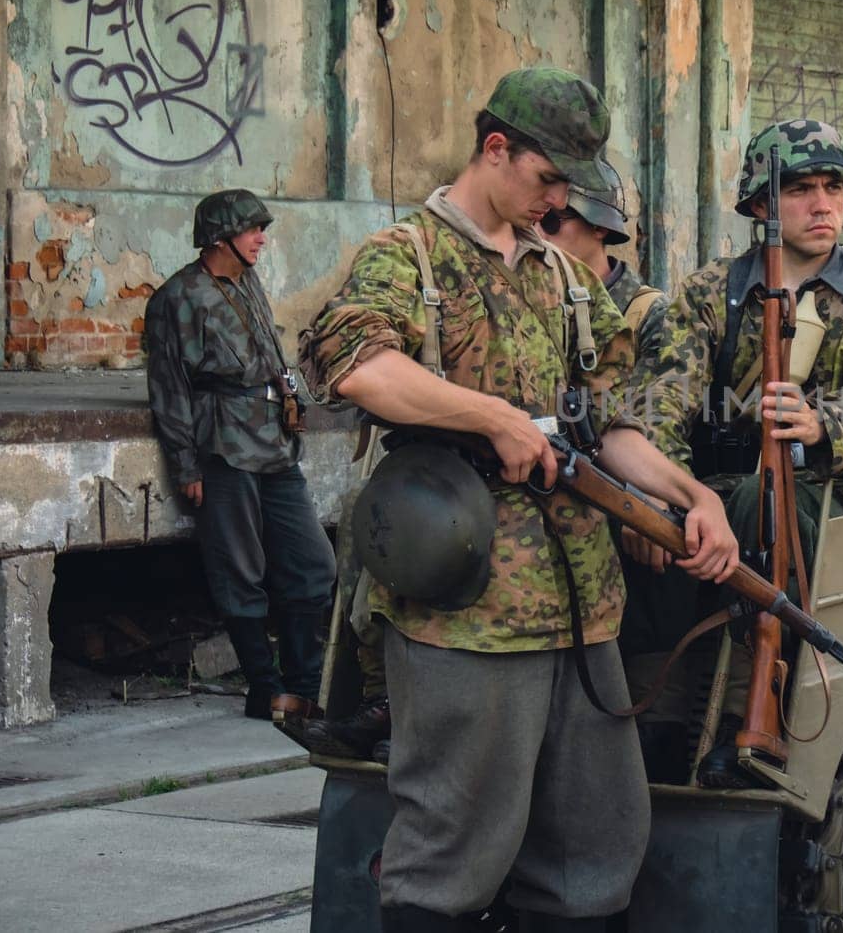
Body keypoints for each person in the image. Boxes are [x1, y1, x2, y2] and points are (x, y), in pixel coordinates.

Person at [300, 67, 740, 933]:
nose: (554, 201)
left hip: (579, 608)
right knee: (450, 851)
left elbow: (606, 426)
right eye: (545, 180)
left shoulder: (562, 278)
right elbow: (354, 364)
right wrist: (489, 414)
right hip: (467, 607)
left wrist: (694, 497)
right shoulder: (411, 256)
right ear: (495, 149)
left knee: (594, 847)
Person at [630, 118, 843, 786]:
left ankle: (748, 715)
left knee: (757, 507)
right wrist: (659, 489)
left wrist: (824, 421)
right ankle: (654, 716)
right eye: (800, 189)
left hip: (837, 490)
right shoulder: (714, 291)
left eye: (832, 188)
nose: (823, 204)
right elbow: (660, 393)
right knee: (648, 530)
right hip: (719, 483)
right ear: (762, 205)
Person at [143, 190, 335, 722]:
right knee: (239, 570)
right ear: (220, 236)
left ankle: (304, 683)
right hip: (221, 447)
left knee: (314, 564)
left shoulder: (246, 281)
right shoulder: (177, 298)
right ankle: (265, 687)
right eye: (252, 229)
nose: (262, 239)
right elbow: (170, 389)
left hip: (273, 442)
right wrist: (185, 466)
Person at [540, 160, 669, 359]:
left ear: (599, 228)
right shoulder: (534, 299)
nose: (538, 233)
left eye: (550, 221)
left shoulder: (651, 316)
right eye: (534, 219)